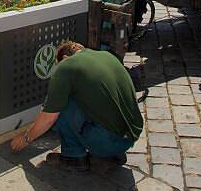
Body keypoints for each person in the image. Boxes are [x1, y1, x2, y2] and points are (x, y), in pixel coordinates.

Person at [10, 41, 143, 171]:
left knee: (63, 103)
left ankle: (73, 157)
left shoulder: (66, 66)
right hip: (129, 137)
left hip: (107, 141)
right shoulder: (106, 56)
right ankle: (110, 154)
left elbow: (48, 118)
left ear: (65, 58)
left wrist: (25, 139)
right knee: (75, 100)